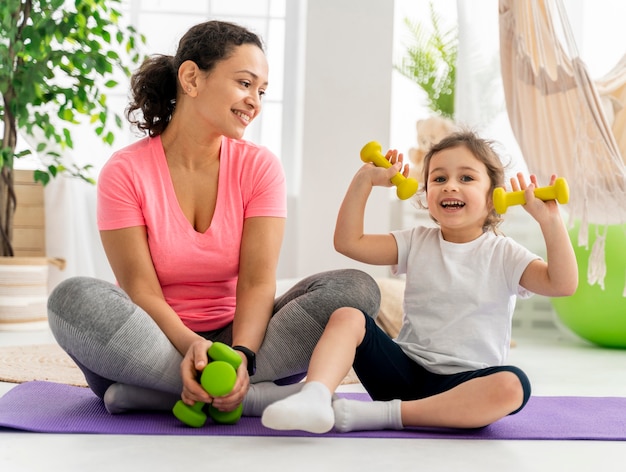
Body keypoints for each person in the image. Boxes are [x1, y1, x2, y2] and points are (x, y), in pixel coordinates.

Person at [47, 20, 380, 417]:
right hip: (151, 342)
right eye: (244, 83)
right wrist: (191, 346)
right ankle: (244, 395)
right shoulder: (125, 171)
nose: (255, 101)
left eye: (261, 91)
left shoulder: (260, 167)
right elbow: (141, 288)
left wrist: (242, 354)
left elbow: (258, 281)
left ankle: (173, 394)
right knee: (71, 298)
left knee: (357, 290)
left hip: (242, 341)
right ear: (191, 78)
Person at [260, 130, 578, 433]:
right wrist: (364, 181)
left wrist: (551, 223)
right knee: (349, 316)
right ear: (427, 195)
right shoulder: (417, 242)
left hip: (462, 390)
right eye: (439, 178)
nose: (450, 186)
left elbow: (562, 284)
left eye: (466, 177)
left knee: (513, 385)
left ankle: (378, 415)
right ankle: (315, 397)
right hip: (403, 374)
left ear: (494, 197)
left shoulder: (504, 253)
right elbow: (349, 242)